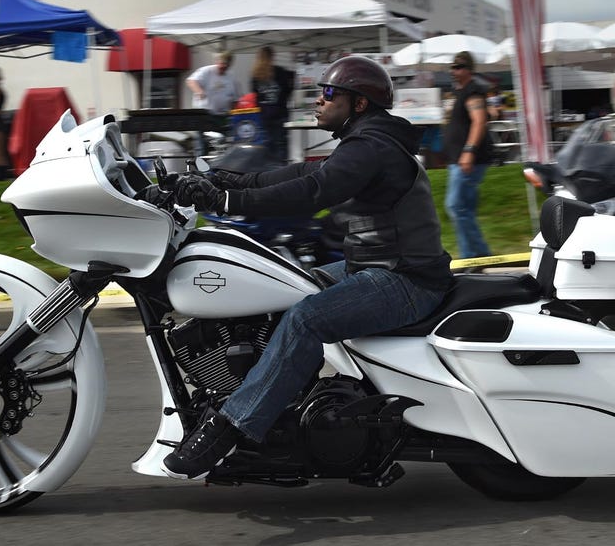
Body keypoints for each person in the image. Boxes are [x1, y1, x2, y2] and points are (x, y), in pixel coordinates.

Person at [161, 55, 453, 480]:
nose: (319, 100)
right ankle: (284, 408)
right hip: (373, 267)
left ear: (358, 104)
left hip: (405, 280)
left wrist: (222, 202)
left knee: (305, 319)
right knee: (281, 284)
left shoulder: (372, 147)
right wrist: (219, 177)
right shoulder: (366, 142)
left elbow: (314, 190)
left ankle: (232, 427)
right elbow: (294, 173)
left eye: (329, 93)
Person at [441, 51, 493, 260]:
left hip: (469, 159)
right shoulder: (459, 92)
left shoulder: (473, 92)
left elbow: (480, 121)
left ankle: (472, 255)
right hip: (460, 159)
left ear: (469, 70)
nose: (455, 71)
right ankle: (479, 254)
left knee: (455, 206)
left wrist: (468, 151)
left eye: (460, 67)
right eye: (453, 67)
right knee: (464, 209)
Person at [249, 46, 296, 164]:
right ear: (272, 57)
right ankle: (282, 170)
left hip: (263, 114)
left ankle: (269, 169)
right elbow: (288, 89)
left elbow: (254, 95)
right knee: (281, 143)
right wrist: (283, 100)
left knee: (267, 143)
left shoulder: (255, 74)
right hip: (280, 112)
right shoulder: (279, 71)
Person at [186, 51, 239, 155]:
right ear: (217, 61)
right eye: (221, 63)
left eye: (226, 64)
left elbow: (234, 99)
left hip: (222, 116)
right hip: (205, 115)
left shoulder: (231, 77)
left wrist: (234, 113)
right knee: (202, 145)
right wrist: (199, 91)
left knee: (225, 144)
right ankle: (201, 168)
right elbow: (191, 81)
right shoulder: (206, 71)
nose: (223, 66)